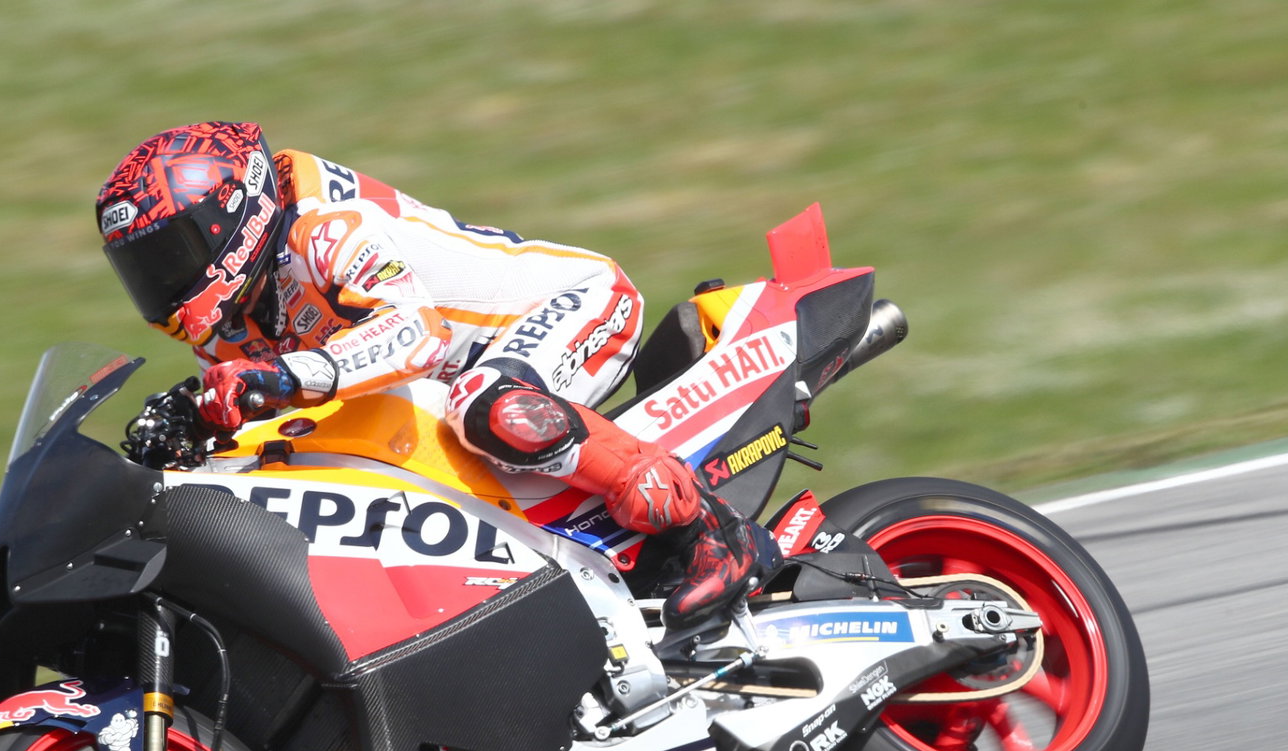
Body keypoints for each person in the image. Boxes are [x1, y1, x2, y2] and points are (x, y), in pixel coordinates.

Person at [95, 121, 778, 628]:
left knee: (489, 407)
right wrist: (192, 434)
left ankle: (707, 530)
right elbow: (280, 428)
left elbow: (416, 337)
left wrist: (272, 382)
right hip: (458, 376)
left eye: (171, 254)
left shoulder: (325, 230)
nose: (163, 284)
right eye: (144, 271)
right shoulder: (230, 326)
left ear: (232, 219)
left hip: (568, 305)